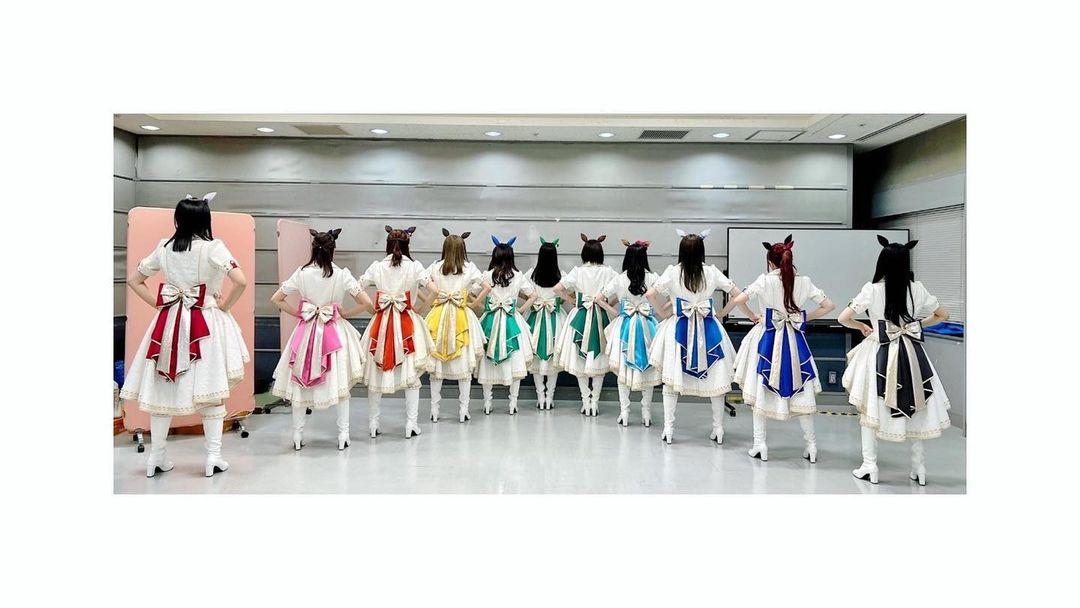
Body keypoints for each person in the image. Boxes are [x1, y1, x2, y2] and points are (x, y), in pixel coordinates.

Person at [120, 193, 249, 477]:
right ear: (205, 219)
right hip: (206, 323)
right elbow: (240, 281)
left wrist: (160, 304)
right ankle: (213, 457)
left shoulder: (164, 247)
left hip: (168, 323)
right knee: (211, 389)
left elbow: (134, 279)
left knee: (162, 388)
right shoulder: (214, 247)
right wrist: (224, 305)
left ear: (178, 219)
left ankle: (156, 456)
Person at [838, 236, 952, 485]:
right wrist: (917, 325)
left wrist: (862, 327)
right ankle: (919, 468)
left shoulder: (872, 290)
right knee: (918, 404)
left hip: (878, 351)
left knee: (870, 407)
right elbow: (943, 314)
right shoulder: (917, 289)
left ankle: (870, 465)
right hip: (912, 352)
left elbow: (843, 318)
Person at [646, 229, 758, 444]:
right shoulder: (712, 272)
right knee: (717, 379)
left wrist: (664, 314)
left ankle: (669, 429)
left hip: (677, 328)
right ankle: (718, 429)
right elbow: (737, 295)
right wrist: (722, 313)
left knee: (671, 381)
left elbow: (650, 294)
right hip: (709, 328)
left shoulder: (672, 272)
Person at [730, 235, 835, 462]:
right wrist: (804, 317)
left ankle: (760, 445)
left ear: (770, 262)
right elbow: (829, 305)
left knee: (761, 389)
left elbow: (738, 300)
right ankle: (811, 446)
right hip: (795, 340)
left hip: (766, 337)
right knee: (802, 390)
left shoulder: (764, 281)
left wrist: (753, 316)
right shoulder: (804, 282)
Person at [269, 228, 369, 451]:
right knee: (340, 385)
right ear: (333, 251)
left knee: (299, 383)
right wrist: (345, 313)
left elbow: (276, 298)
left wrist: (299, 313)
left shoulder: (302, 273)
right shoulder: (342, 274)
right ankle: (343, 434)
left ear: (313, 249)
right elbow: (366, 303)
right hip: (335, 332)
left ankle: (297, 436)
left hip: (306, 332)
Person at [357, 226, 437, 438]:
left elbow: (358, 287)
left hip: (381, 322)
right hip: (407, 321)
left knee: (376, 373)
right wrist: (421, 308)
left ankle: (373, 424)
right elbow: (435, 290)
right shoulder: (415, 267)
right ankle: (411, 424)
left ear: (387, 244)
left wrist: (371, 308)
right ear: (407, 244)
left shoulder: (377, 267)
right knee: (411, 376)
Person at [553, 234, 618, 416]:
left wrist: (571, 300)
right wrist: (609, 303)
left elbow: (557, 289)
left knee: (579, 361)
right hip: (601, 315)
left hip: (580, 315)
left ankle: (585, 401)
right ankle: (594, 402)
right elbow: (621, 287)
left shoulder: (578, 271)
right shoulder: (608, 272)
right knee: (599, 359)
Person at [424, 229, 485, 423]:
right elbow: (487, 286)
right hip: (462, 315)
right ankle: (463, 410)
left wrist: (427, 302)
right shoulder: (469, 267)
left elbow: (420, 284)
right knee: (464, 366)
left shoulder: (435, 267)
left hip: (438, 314)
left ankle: (434, 411)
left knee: (436, 367)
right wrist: (473, 304)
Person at [600, 239, 662, 427]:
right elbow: (670, 297)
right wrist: (659, 312)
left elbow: (599, 298)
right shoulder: (653, 278)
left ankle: (624, 412)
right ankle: (646, 413)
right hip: (648, 326)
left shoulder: (619, 279)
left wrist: (616, 312)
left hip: (624, 326)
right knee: (648, 369)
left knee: (623, 370)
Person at [473, 236, 537, 414]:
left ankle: (487, 403)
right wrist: (520, 310)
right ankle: (513, 403)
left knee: (487, 360)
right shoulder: (518, 276)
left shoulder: (486, 275)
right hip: (512, 319)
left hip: (490, 319)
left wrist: (483, 307)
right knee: (515, 359)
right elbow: (533, 295)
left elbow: (472, 292)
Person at [524, 237, 567, 410]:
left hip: (535, 317)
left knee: (536, 358)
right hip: (555, 317)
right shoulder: (561, 275)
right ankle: (550, 397)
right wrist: (555, 302)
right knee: (553, 359)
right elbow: (564, 296)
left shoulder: (530, 274)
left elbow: (526, 295)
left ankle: (540, 396)